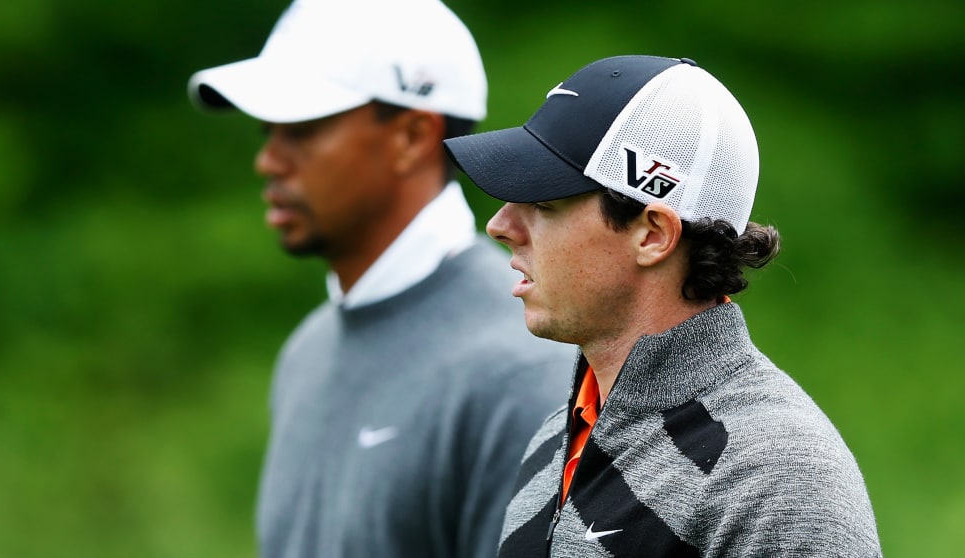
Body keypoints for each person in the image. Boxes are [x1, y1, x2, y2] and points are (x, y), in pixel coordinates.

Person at [444, 55, 882, 557]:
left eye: (544, 203)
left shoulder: (779, 476)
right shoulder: (554, 437)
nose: (500, 226)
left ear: (653, 234)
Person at [186, 1, 576, 557]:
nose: (268, 160)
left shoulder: (522, 369)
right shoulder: (307, 351)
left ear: (413, 137)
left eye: (300, 127)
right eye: (266, 129)